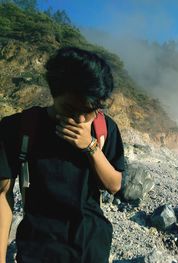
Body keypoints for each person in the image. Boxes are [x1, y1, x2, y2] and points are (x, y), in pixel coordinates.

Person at [0, 46, 126, 262]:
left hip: (91, 248)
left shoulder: (105, 129)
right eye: (69, 109)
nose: (79, 120)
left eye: (88, 111)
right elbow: (2, 194)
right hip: (37, 250)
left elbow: (114, 185)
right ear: (53, 92)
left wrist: (90, 147)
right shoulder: (18, 128)